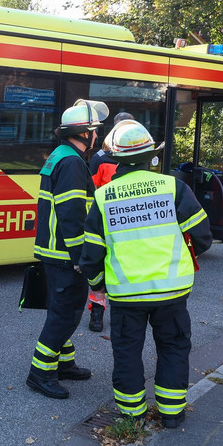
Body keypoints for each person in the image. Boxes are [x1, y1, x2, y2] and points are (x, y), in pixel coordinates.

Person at [79, 119, 212, 429]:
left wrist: (98, 285)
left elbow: (92, 256)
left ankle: (131, 413)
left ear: (115, 158)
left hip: (126, 294)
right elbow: (203, 237)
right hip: (172, 293)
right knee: (174, 348)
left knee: (127, 352)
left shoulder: (103, 198)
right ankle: (171, 413)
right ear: (151, 155)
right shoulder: (173, 187)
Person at [26, 99, 108, 400]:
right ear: (85, 133)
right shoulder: (73, 162)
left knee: (63, 311)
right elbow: (72, 216)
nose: (96, 136)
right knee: (65, 315)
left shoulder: (61, 156)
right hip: (64, 255)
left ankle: (63, 363)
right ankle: (40, 373)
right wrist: (80, 258)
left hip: (54, 252)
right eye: (94, 131)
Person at [82, 112, 133, 332]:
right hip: (126, 221)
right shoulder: (137, 156)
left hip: (106, 220)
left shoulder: (100, 157)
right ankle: (110, 316)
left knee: (99, 268)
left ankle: (98, 316)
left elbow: (91, 191)